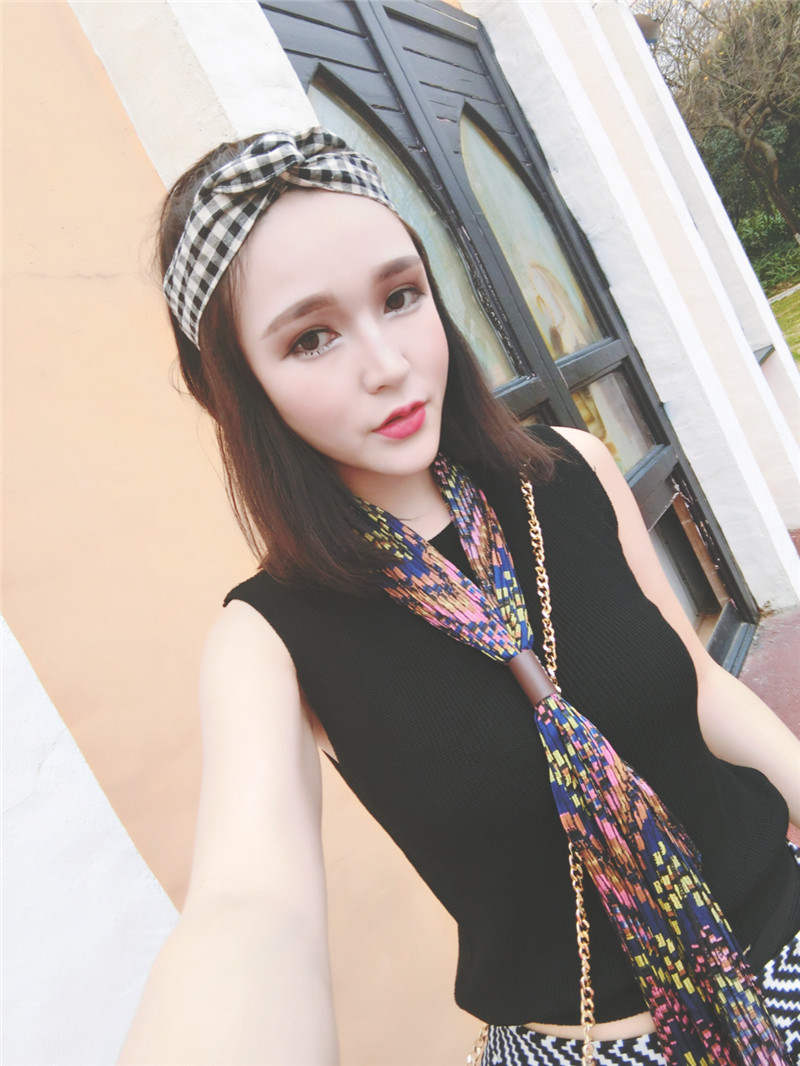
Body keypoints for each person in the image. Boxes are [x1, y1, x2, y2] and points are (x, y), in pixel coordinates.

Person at [119, 128, 800, 1066]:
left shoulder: (571, 470)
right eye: (311, 338)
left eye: (400, 297)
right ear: (235, 387)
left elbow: (703, 687)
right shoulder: (267, 638)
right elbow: (249, 907)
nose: (387, 363)